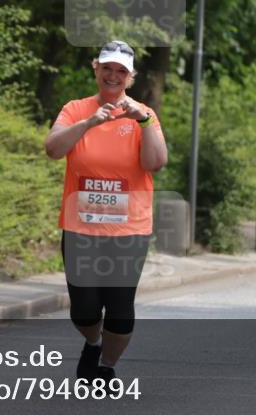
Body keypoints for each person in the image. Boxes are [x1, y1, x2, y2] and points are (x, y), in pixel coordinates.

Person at [44, 41, 167, 382]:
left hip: (129, 230)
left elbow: (155, 163)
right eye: (107, 68)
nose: (113, 76)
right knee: (83, 310)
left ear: (130, 78)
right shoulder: (75, 109)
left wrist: (143, 123)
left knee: (120, 311)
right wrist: (87, 124)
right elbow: (53, 149)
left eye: (121, 71)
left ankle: (106, 367)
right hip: (81, 227)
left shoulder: (144, 114)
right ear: (96, 69)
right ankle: (93, 342)